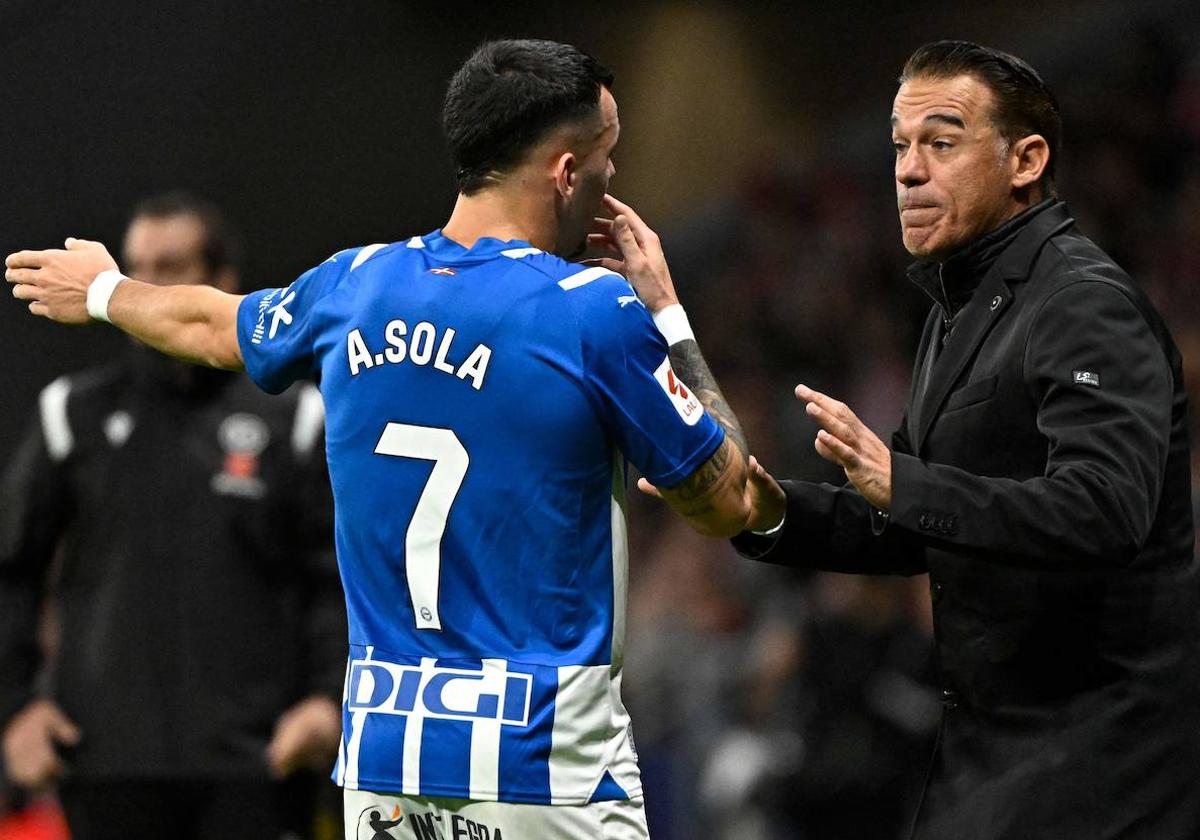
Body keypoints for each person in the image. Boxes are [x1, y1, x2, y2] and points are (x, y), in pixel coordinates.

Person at [5, 40, 752, 840]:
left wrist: (108, 290)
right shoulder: (592, 310)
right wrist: (668, 313)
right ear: (568, 174)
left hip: (386, 773)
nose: (613, 178)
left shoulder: (351, 285)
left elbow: (214, 325)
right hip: (543, 772)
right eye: (608, 157)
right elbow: (728, 502)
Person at [693, 40, 1197, 839]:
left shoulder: (1083, 303)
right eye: (898, 146)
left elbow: (1107, 510)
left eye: (942, 141)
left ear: (1026, 159)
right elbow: (908, 518)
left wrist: (908, 485)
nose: (906, 171)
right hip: (998, 754)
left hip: (1108, 762)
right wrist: (764, 511)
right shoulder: (955, 315)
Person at [0, 192, 346, 840]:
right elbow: (10, 570)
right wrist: (15, 709)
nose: (141, 288)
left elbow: (338, 581)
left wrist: (328, 701)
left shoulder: (295, 419)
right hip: (105, 763)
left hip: (258, 765)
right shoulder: (71, 413)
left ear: (223, 284)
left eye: (170, 267)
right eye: (133, 268)